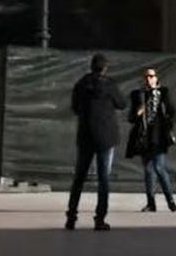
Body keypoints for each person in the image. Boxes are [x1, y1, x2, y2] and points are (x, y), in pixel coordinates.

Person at [66, 53, 125, 231]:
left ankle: (71, 217)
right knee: (103, 179)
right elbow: (122, 103)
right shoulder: (110, 84)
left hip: (85, 135)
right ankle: (99, 219)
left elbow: (75, 108)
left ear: (91, 66)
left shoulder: (81, 84)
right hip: (106, 136)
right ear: (105, 68)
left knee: (79, 178)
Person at [128, 64, 176, 214]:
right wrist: (138, 112)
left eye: (151, 76)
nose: (148, 79)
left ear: (156, 78)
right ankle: (151, 203)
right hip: (144, 136)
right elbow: (131, 118)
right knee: (148, 170)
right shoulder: (138, 94)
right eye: (146, 77)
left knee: (159, 168)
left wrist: (168, 128)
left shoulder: (163, 92)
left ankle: (170, 200)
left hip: (159, 136)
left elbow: (172, 112)